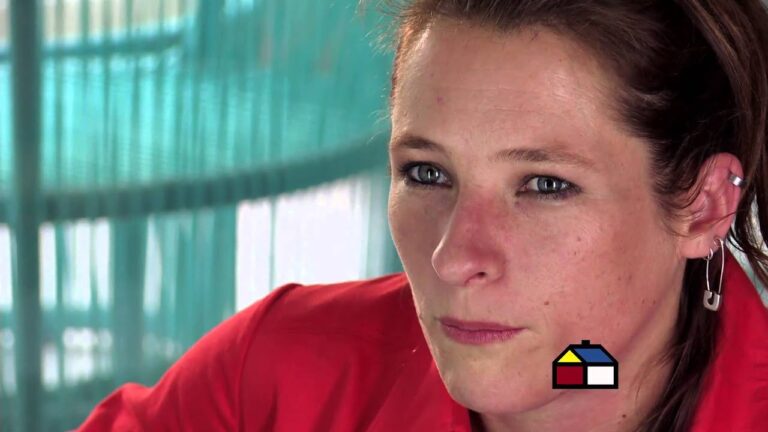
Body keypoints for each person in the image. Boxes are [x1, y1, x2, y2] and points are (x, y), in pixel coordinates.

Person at [78, 1, 768, 431]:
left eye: (544, 186)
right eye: (428, 173)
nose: (454, 257)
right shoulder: (271, 382)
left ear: (704, 207)